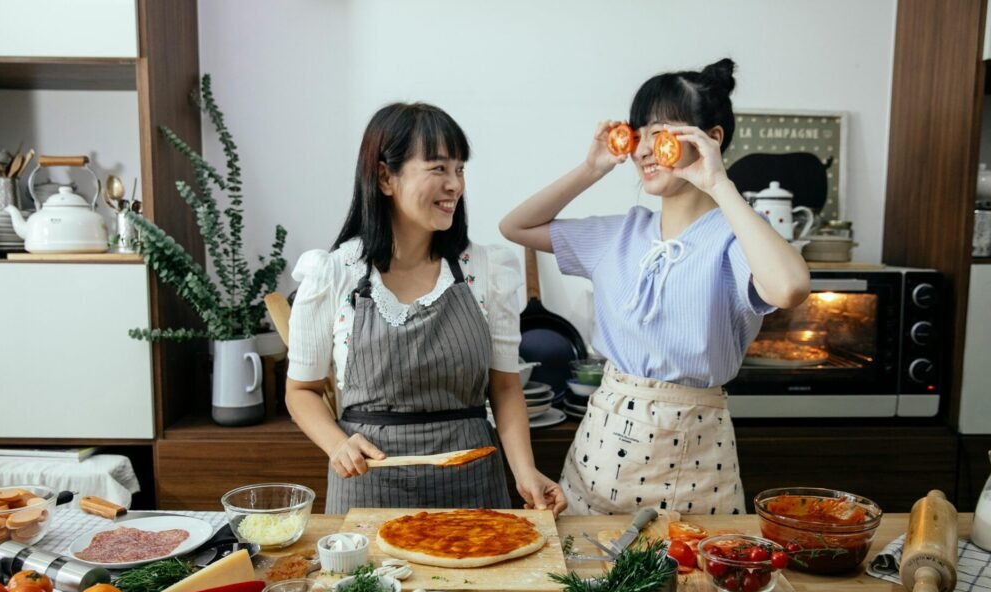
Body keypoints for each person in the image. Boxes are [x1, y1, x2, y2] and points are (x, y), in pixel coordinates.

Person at [499, 59, 810, 516]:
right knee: (586, 580)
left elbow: (789, 287)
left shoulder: (735, 235)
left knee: (692, 581)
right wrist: (591, 168)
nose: (643, 149)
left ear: (711, 139)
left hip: (697, 458)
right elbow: (515, 226)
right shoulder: (618, 234)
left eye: (660, 133)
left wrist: (719, 183)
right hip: (600, 456)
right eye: (638, 133)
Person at [286, 102, 566, 516]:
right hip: (369, 490)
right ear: (385, 177)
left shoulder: (487, 270)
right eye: (438, 168)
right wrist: (337, 444)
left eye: (460, 169)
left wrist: (525, 472)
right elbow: (301, 391)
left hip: (472, 486)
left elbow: (505, 388)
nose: (455, 184)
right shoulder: (333, 274)